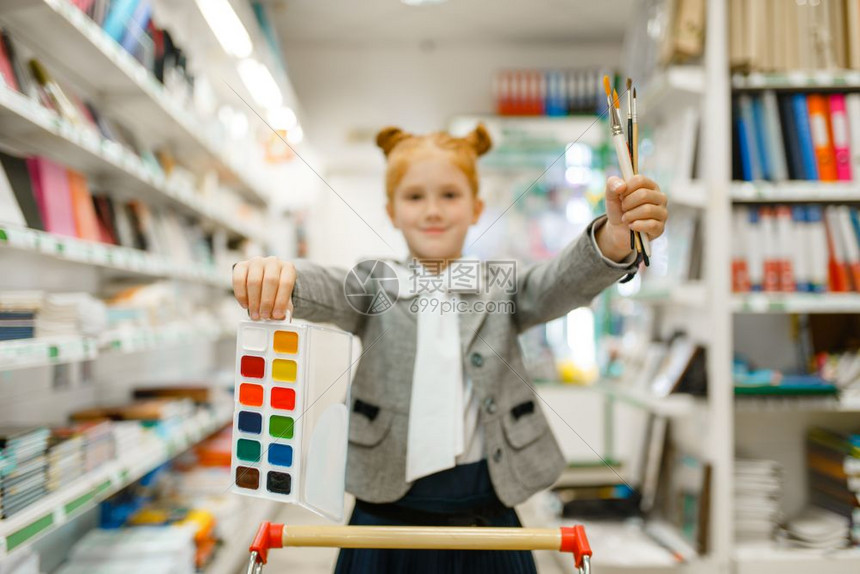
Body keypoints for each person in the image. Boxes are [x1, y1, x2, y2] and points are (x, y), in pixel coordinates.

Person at [231, 124, 668, 573]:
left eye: (450, 195)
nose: (433, 211)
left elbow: (558, 283)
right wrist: (283, 276)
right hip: (382, 518)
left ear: (477, 207)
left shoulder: (502, 286)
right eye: (415, 197)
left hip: (487, 514)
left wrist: (615, 238)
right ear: (391, 211)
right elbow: (327, 287)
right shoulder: (372, 283)